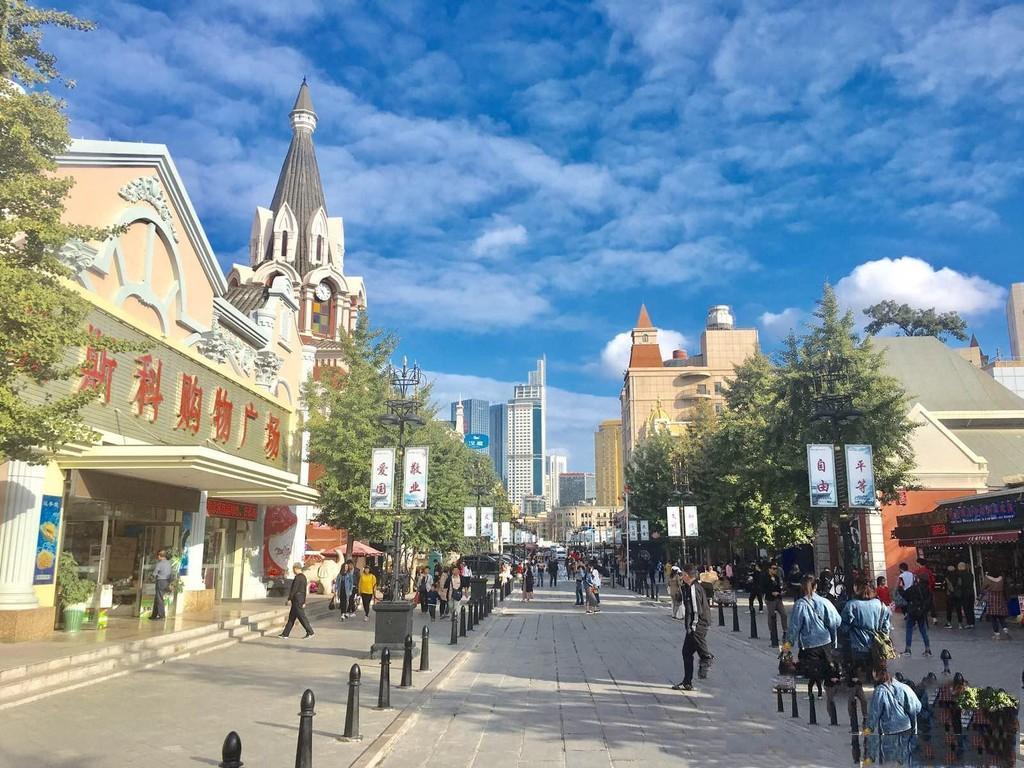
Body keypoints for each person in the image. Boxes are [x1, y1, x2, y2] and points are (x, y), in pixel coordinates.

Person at [785, 574, 842, 698]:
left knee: (813, 671)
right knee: (827, 667)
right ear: (816, 586)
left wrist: (787, 646)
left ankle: (813, 695)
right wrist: (833, 638)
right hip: (825, 640)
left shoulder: (800, 605)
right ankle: (829, 694)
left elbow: (794, 628)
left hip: (809, 644)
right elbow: (837, 621)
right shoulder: (825, 602)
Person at [865, 664, 922, 767]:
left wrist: (869, 728)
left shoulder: (880, 691)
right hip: (906, 727)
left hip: (890, 730)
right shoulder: (905, 687)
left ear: (877, 676)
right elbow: (917, 707)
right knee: (904, 756)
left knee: (891, 759)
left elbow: (874, 712)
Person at [840, 578, 891, 684]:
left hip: (857, 645)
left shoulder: (852, 605)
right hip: (877, 646)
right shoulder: (881, 605)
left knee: (857, 675)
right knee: (877, 674)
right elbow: (886, 627)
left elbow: (844, 627)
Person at [672, 563, 713, 691]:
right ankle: (687, 682)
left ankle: (706, 657)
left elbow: (696, 610)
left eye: (683, 574)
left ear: (687, 575)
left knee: (693, 649)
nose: (681, 576)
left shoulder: (694, 588)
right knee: (687, 652)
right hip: (694, 624)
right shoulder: (688, 587)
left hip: (698, 624)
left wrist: (692, 626)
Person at [279, 563, 315, 638]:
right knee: (291, 618)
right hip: (300, 599)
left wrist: (289, 598)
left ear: (296, 568)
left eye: (293, 569)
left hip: (297, 600)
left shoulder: (298, 578)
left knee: (302, 617)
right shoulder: (304, 577)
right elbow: (304, 590)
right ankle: (285, 634)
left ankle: (310, 632)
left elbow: (294, 589)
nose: (293, 571)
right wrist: (304, 601)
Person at [900, 576, 932, 656]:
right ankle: (928, 649)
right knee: (923, 630)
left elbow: (905, 595)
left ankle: (908, 649)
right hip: (922, 612)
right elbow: (929, 602)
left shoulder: (914, 588)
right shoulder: (928, 590)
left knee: (909, 629)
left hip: (913, 611)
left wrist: (900, 588)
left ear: (919, 580)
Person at [982, 568, 1010, 639]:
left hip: (991, 598)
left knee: (993, 618)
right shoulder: (1002, 579)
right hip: (1000, 598)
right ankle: (1005, 629)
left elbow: (983, 588)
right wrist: (1006, 598)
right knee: (1001, 616)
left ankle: (997, 634)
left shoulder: (987, 579)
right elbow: (1005, 589)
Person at [764, 563, 788, 634]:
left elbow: (778, 587)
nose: (775, 570)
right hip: (770, 599)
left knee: (784, 614)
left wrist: (781, 592)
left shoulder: (776, 577)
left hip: (778, 598)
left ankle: (785, 630)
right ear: (769, 569)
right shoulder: (765, 577)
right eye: (773, 568)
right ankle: (772, 631)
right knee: (772, 615)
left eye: (776, 568)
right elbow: (763, 588)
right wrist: (771, 593)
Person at [149, 549, 173, 621]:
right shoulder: (169, 563)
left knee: (159, 599)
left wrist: (150, 578)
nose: (157, 557)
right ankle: (154, 615)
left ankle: (162, 616)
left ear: (160, 556)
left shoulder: (159, 564)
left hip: (160, 582)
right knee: (157, 598)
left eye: (158, 556)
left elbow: (154, 574)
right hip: (167, 582)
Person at [914, 560, 938, 625]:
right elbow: (933, 580)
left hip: (920, 590)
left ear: (919, 564)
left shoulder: (916, 571)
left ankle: (921, 618)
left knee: (920, 604)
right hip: (929, 589)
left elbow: (915, 581)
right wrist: (931, 587)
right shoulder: (929, 571)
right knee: (931, 604)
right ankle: (934, 618)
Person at [954, 561, 976, 629]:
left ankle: (969, 623)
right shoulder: (970, 574)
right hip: (971, 592)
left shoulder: (959, 575)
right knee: (971, 608)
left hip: (964, 593)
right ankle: (972, 622)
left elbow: (959, 584)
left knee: (966, 608)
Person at [942, 565, 963, 630]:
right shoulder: (958, 576)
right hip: (957, 595)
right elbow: (960, 584)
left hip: (950, 595)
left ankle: (949, 623)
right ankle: (960, 624)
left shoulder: (947, 577)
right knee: (958, 609)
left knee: (949, 610)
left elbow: (945, 586)